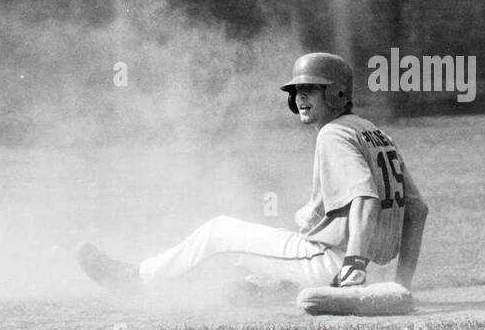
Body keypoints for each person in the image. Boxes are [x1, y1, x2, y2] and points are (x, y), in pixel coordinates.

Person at [76, 53, 428, 309]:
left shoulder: (333, 134)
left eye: (311, 89)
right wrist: (401, 283)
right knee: (289, 228)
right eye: (297, 91)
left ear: (336, 94)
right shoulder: (373, 132)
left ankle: (138, 280)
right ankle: (268, 286)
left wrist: (354, 267)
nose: (300, 97)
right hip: (362, 268)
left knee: (219, 233)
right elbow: (417, 208)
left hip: (335, 266)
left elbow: (365, 196)